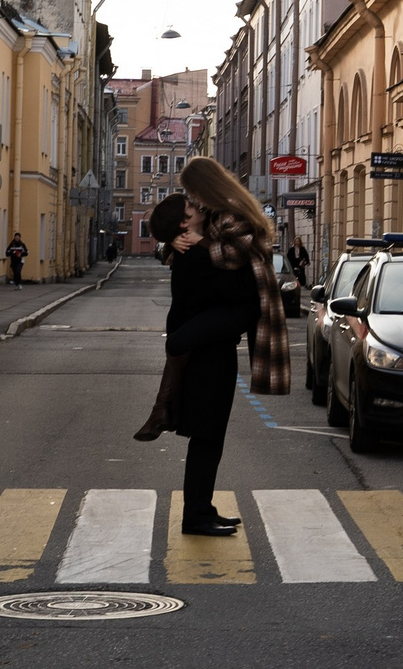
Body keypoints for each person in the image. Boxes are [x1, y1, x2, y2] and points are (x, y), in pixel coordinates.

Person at [132, 159, 289, 537]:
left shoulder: (205, 243)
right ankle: (196, 516)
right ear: (185, 224)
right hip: (204, 355)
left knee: (210, 436)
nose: (195, 205)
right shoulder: (195, 254)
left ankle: (203, 508)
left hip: (211, 350)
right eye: (190, 207)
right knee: (207, 435)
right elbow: (236, 291)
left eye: (194, 198)